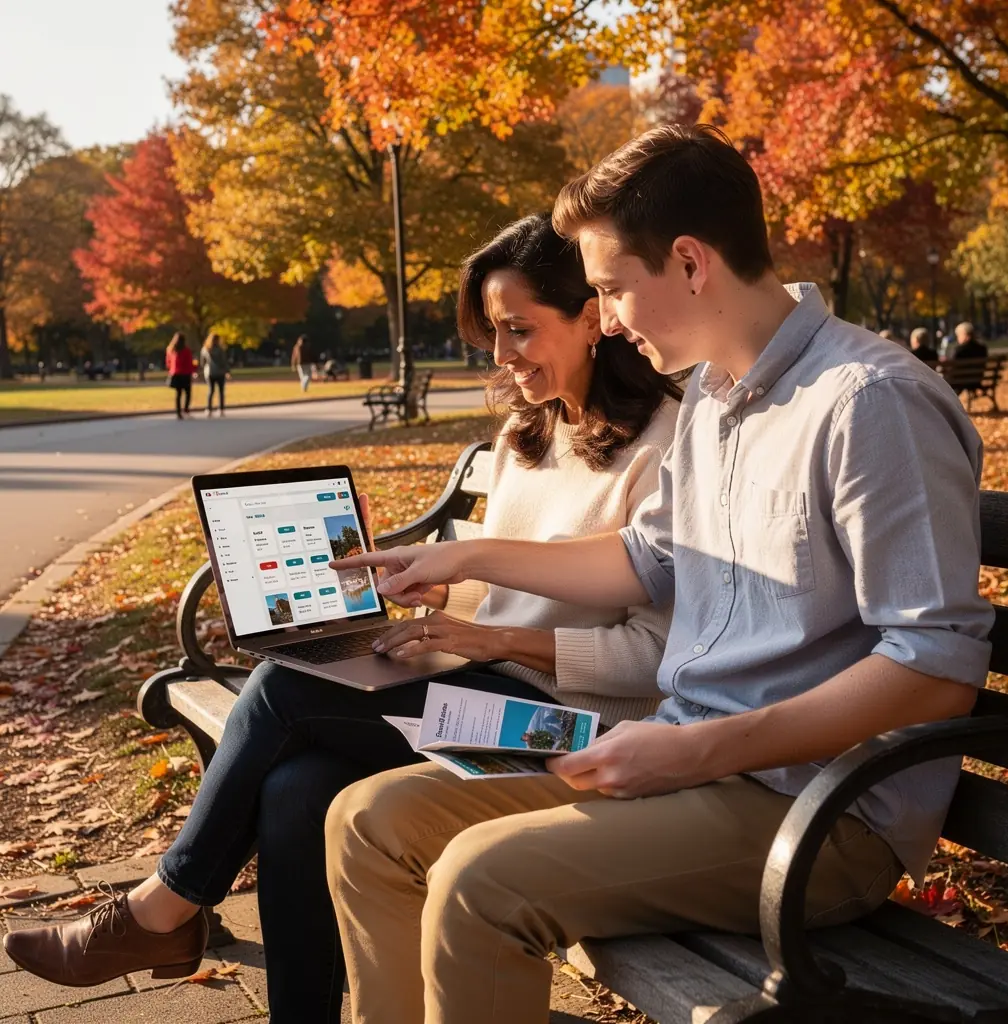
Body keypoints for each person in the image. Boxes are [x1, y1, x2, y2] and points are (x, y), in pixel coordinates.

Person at [325, 124, 993, 1024]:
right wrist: (463, 554)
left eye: (608, 288)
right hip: (693, 761)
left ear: (688, 261)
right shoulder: (715, 397)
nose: (603, 318)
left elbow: (936, 668)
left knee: (481, 885)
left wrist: (692, 748)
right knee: (369, 822)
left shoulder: (869, 404)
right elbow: (648, 559)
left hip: (821, 812)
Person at [2, 213, 681, 1023]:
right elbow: (513, 587)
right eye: (490, 334)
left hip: (579, 728)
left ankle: (162, 910)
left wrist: (490, 634)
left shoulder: (661, 443)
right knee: (297, 788)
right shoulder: (524, 435)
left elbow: (653, 657)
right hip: (490, 686)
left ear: (592, 317)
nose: (501, 356)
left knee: (283, 689)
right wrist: (436, 595)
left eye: (518, 330)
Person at [199, 332, 229, 417]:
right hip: (220, 372)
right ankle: (221, 409)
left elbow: (202, 362)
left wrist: (203, 369)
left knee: (210, 390)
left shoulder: (205, 349)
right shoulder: (220, 349)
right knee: (221, 391)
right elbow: (223, 361)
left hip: (209, 372)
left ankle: (209, 409)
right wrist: (227, 371)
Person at [165, 333, 194, 418]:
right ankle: (186, 409)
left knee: (178, 394)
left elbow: (168, 362)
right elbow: (189, 363)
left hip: (175, 373)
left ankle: (178, 412)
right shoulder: (186, 350)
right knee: (188, 393)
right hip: (185, 373)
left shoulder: (170, 350)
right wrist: (192, 371)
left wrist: (171, 369)